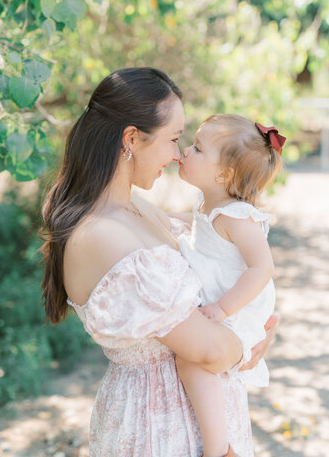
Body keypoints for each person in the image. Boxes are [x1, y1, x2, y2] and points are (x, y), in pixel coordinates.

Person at [40, 67, 278, 457]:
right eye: (173, 139)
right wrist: (249, 345)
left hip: (192, 414)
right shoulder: (103, 233)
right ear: (131, 138)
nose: (176, 153)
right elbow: (208, 352)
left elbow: (215, 244)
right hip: (159, 429)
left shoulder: (134, 209)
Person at [175, 114, 285, 457]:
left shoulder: (238, 216)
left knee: (193, 361)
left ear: (223, 174)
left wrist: (224, 308)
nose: (185, 150)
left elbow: (262, 266)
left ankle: (218, 448)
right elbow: (198, 230)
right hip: (226, 303)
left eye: (197, 147)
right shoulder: (211, 206)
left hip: (238, 309)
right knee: (193, 360)